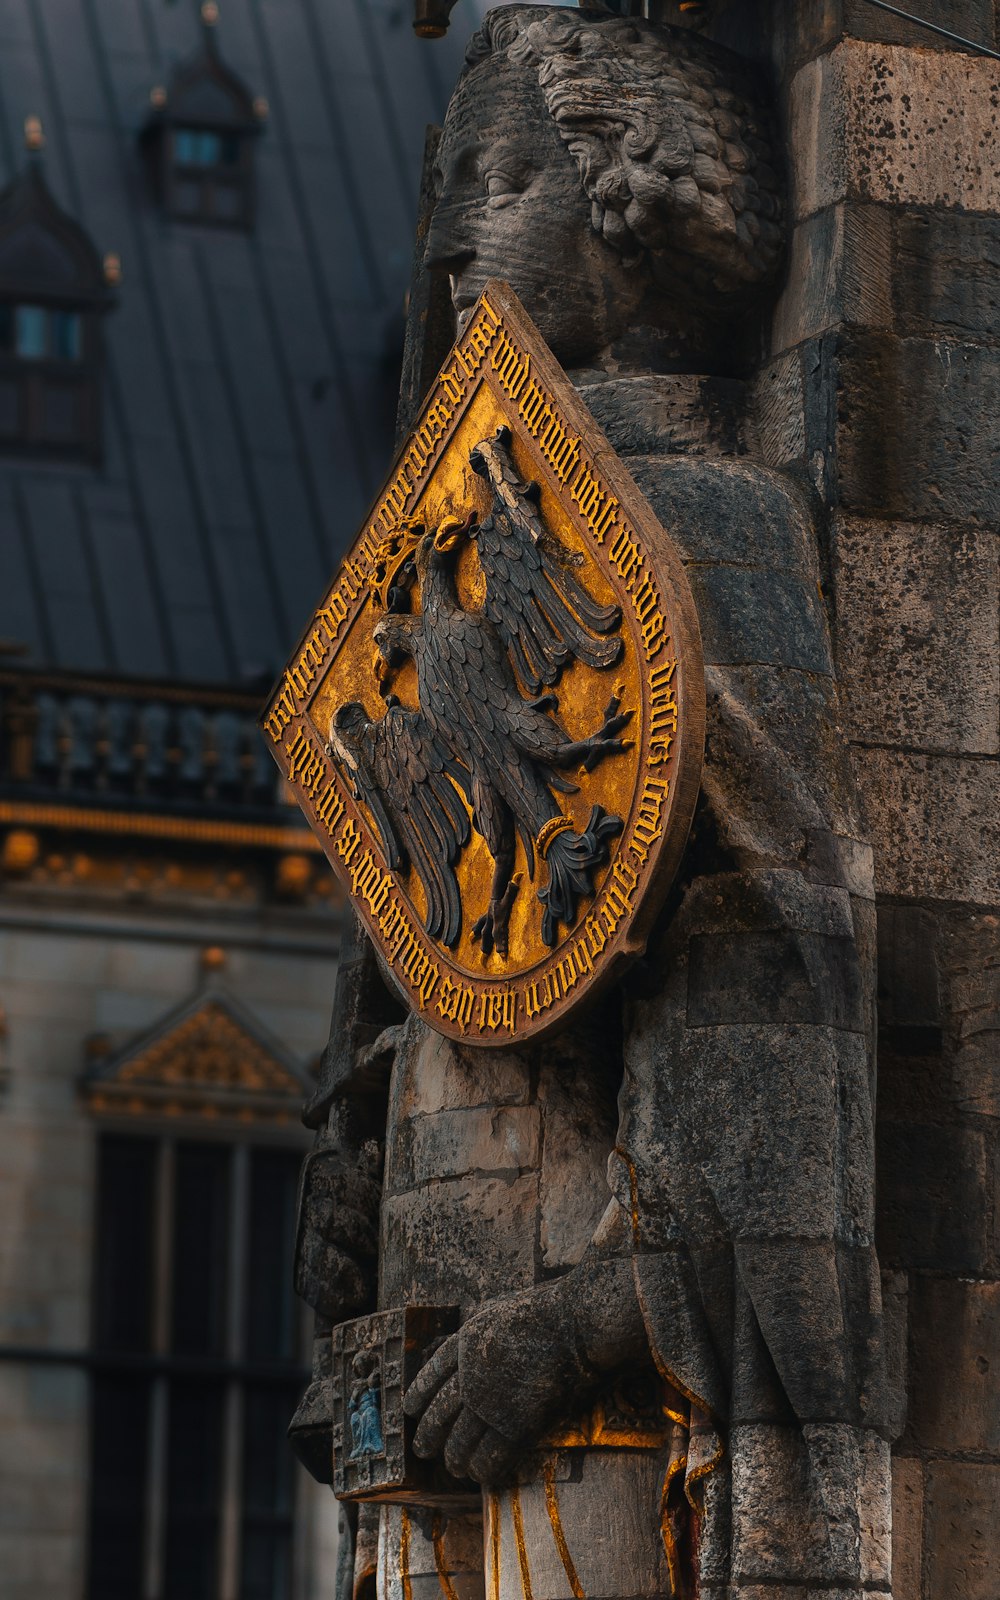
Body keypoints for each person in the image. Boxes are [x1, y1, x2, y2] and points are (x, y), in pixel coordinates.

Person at [296, 10, 891, 1597]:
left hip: (599, 1408)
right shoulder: (448, 537)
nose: (450, 239)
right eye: (450, 183)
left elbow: (783, 986)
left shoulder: (694, 519)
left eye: (502, 178)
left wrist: (572, 1326)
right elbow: (429, 949)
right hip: (419, 1387)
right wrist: (348, 1174)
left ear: (636, 212)